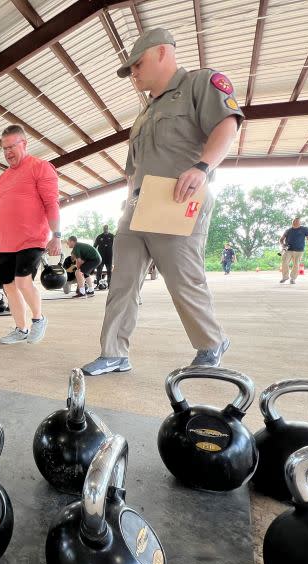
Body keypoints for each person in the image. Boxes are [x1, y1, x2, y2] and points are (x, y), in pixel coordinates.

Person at [82, 28, 243, 375]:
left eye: (137, 64)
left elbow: (227, 125)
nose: (134, 74)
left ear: (162, 53)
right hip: (138, 205)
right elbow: (132, 168)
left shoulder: (200, 84)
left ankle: (210, 342)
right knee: (121, 281)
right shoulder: (143, 115)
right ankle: (114, 352)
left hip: (177, 198)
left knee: (182, 279)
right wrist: (128, 202)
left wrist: (203, 167)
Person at [0, 125, 61, 345]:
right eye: (4, 148)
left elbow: (51, 203)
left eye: (12, 146)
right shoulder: (1, 179)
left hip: (32, 237)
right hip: (7, 242)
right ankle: (21, 329)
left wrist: (56, 234)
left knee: (23, 282)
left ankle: (38, 319)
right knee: (9, 285)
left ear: (25, 144)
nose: (8, 152)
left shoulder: (40, 167)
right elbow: (0, 213)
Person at [279, 217, 308, 284]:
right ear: (292, 222)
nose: (295, 222)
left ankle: (293, 278)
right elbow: (281, 239)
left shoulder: (305, 229)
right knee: (284, 262)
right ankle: (285, 277)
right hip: (288, 249)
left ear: (300, 223)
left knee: (296, 264)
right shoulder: (288, 230)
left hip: (299, 250)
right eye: (294, 221)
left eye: (297, 221)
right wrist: (283, 245)